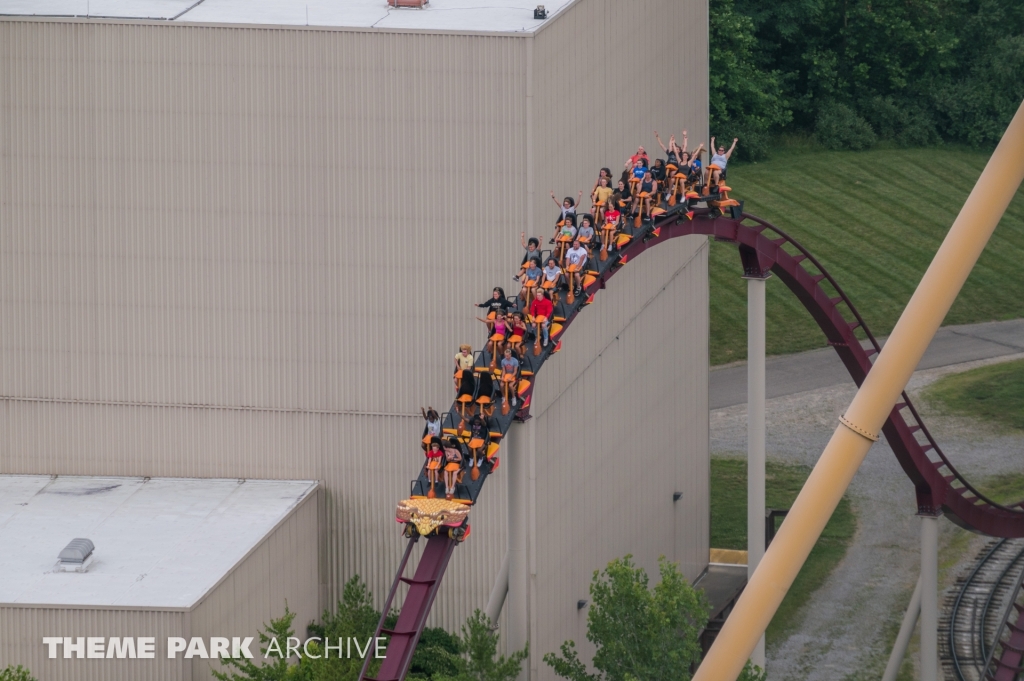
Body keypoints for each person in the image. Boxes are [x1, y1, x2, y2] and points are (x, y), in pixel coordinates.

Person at [466, 414, 490, 481]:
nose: (476, 422)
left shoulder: (483, 425)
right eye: (475, 421)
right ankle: (471, 458)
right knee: (469, 449)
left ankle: (480, 459)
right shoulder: (472, 423)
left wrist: (482, 419)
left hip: (482, 440)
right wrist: (458, 412)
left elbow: (484, 423)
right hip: (474, 440)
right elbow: (465, 419)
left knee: (479, 450)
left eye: (478, 421)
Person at [529, 288, 554, 352]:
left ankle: (546, 338)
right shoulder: (535, 301)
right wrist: (533, 317)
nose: (538, 297)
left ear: (542, 295)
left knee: (543, 326)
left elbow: (549, 311)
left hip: (545, 317)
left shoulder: (548, 302)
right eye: (537, 295)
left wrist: (546, 318)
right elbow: (532, 310)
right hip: (538, 317)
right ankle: (537, 337)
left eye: (539, 295)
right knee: (533, 325)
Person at [499, 347, 520, 413]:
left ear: (510, 355)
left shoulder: (515, 361)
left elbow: (515, 371)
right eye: (505, 356)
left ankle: (513, 397)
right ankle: (503, 396)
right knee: (501, 385)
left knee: (511, 386)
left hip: (512, 375)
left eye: (507, 356)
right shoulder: (503, 361)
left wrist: (511, 377)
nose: (506, 357)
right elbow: (504, 370)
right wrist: (502, 376)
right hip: (506, 375)